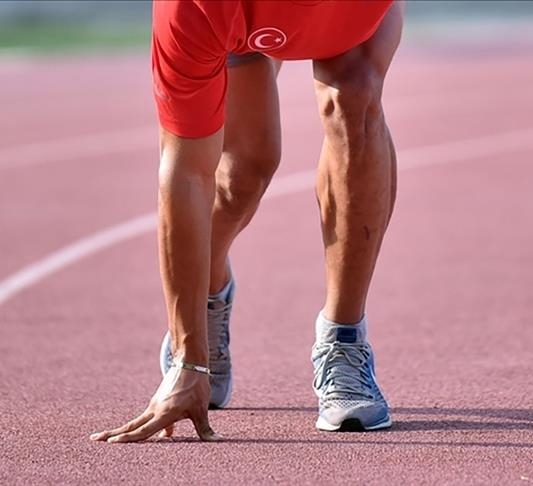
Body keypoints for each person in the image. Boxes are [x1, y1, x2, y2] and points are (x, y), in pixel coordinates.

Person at [91, 0, 403, 443]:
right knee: (242, 175)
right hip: (239, 19)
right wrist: (189, 359)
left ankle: (343, 339)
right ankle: (209, 294)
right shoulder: (193, 9)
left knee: (355, 96)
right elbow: (187, 171)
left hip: (345, 15)